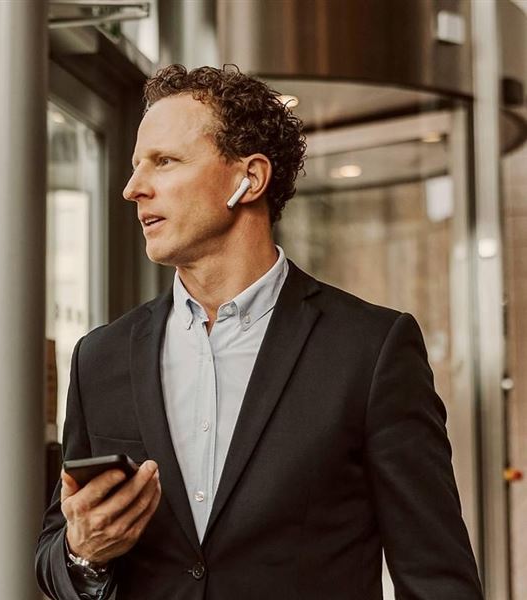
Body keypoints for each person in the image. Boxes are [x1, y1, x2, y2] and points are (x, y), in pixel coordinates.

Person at [34, 64, 482, 600]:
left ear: (249, 178)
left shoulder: (371, 350)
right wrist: (83, 552)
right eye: (136, 166)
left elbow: (438, 581)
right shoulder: (99, 357)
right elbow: (54, 556)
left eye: (165, 162)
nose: (133, 188)